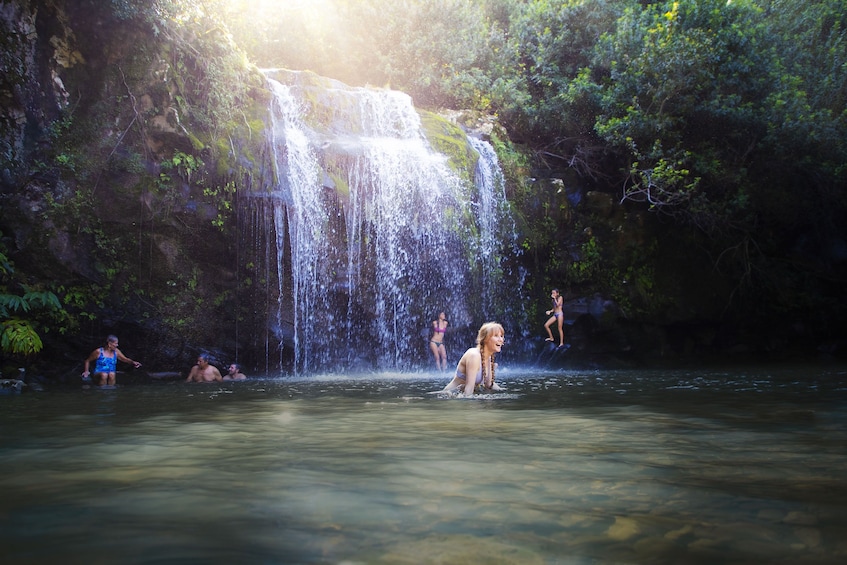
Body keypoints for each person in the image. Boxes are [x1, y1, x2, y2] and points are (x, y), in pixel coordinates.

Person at [442, 322, 505, 396]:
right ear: (485, 339)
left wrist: (505, 392)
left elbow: (489, 385)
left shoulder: (488, 357)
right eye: (496, 336)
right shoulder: (474, 356)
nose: (501, 339)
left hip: (460, 396)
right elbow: (469, 389)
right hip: (450, 397)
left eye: (501, 336)